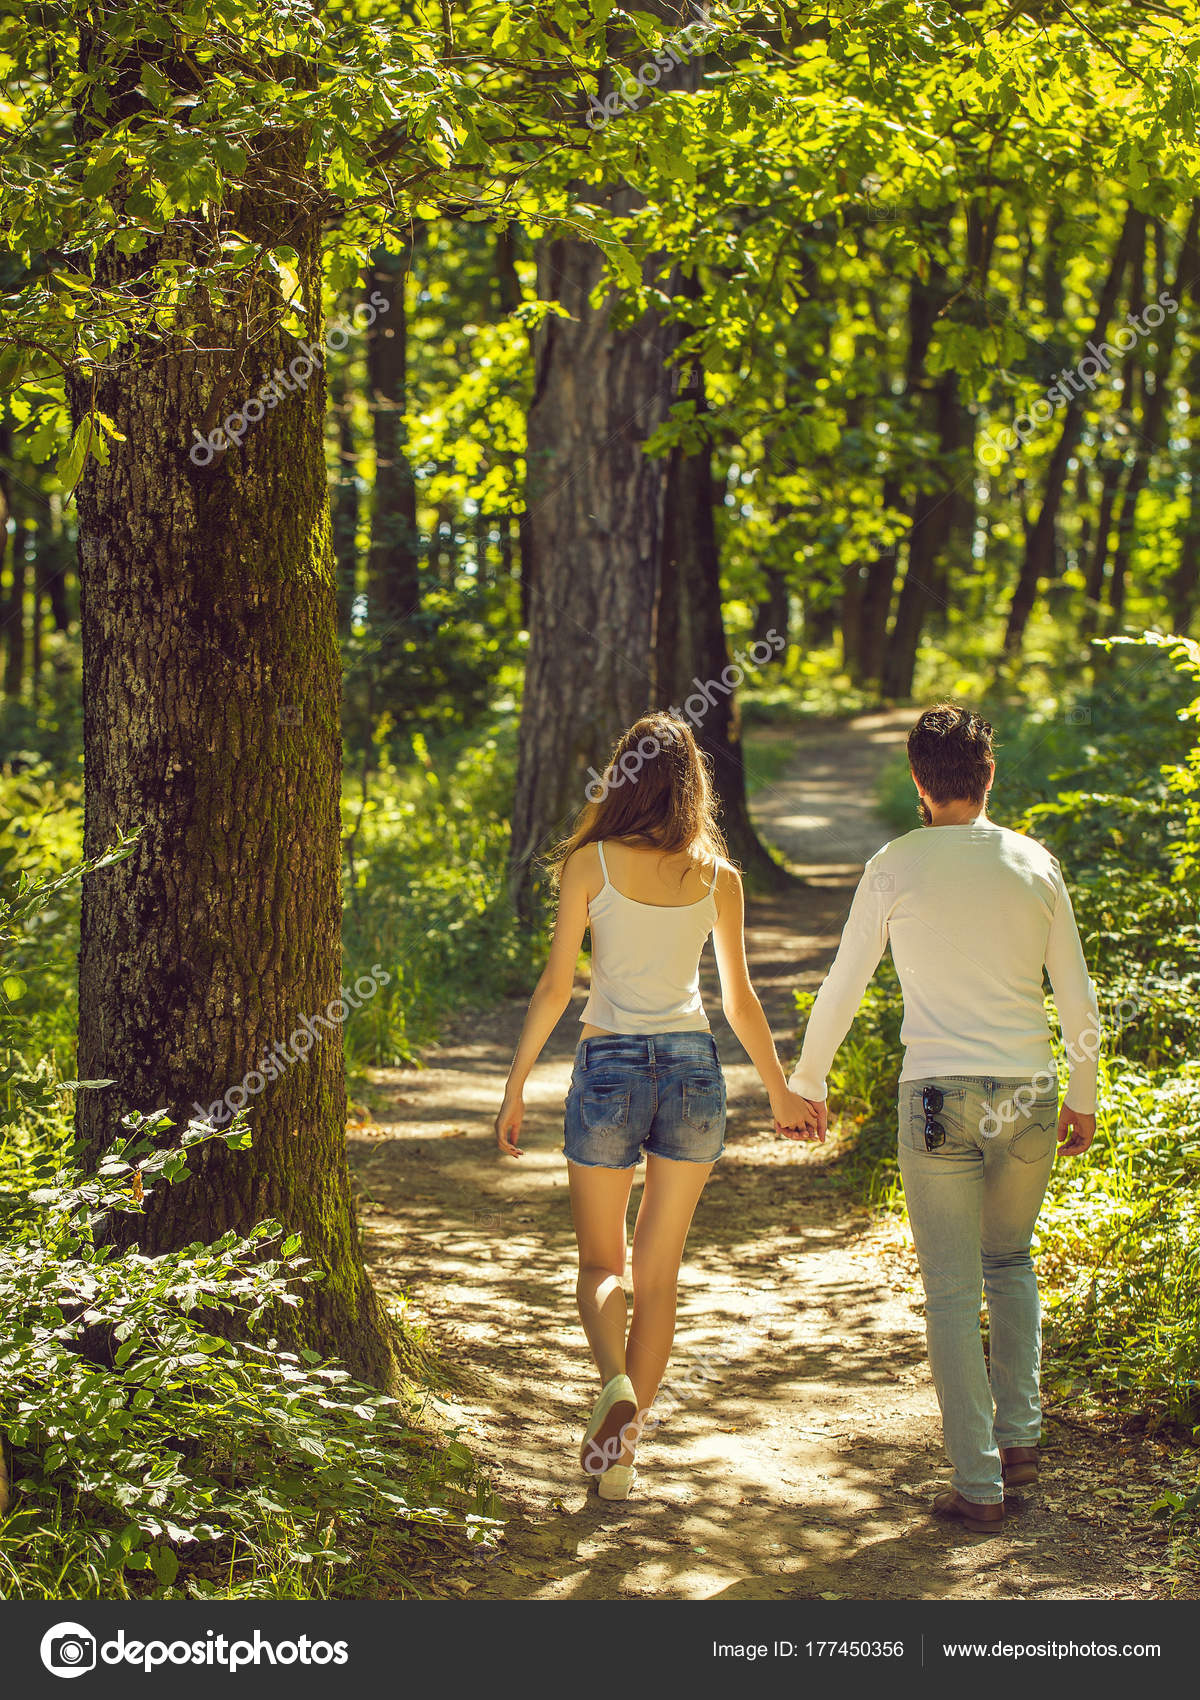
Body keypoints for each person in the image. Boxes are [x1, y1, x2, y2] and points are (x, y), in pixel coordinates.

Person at [783, 704, 1099, 1534]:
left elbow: (845, 983)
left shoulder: (894, 864)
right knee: (1012, 1260)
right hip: (1030, 1092)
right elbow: (1078, 995)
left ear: (919, 783)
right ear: (988, 777)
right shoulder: (1035, 863)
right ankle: (1020, 1437)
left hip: (936, 1099)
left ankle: (979, 1485)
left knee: (954, 1293)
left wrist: (807, 1078)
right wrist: (1084, 1094)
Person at [495, 712, 818, 1500]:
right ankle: (621, 1459)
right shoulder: (719, 876)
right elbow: (739, 1002)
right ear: (693, 787)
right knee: (660, 1276)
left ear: (622, 777)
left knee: (601, 1264)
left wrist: (516, 1084)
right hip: (693, 1070)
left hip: (606, 1064)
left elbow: (554, 989)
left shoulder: (590, 864)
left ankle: (614, 1386)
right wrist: (781, 1090)